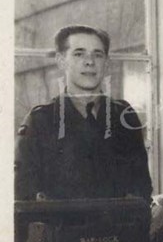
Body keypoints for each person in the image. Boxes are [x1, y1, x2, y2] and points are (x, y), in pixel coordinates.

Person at [14, 25, 152, 201]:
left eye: (98, 54)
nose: (90, 61)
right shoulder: (40, 121)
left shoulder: (124, 116)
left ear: (107, 63)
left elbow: (142, 188)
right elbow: (25, 195)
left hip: (118, 227)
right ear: (61, 61)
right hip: (62, 227)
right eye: (79, 54)